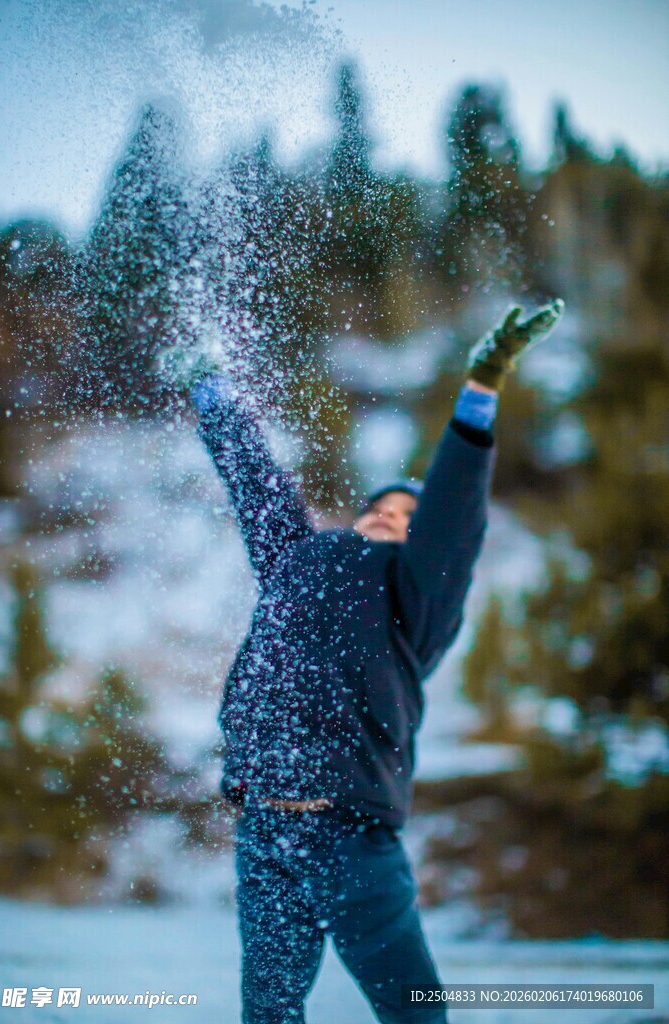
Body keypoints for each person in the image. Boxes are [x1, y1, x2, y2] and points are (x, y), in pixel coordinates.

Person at [189, 301, 564, 1024]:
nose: (390, 515)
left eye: (405, 515)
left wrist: (481, 385)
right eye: (380, 507)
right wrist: (210, 391)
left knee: (414, 1012)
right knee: (266, 1012)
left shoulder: (414, 592)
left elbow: (453, 510)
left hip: (348, 838)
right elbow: (255, 486)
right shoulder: (297, 559)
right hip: (265, 831)